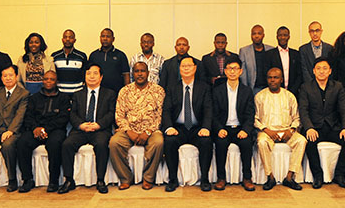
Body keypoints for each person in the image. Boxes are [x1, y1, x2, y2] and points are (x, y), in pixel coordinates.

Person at [59, 64, 116, 195]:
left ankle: (100, 180)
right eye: (88, 73)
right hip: (81, 130)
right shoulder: (77, 94)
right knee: (67, 144)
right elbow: (72, 114)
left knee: (101, 144)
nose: (91, 76)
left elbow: (111, 113)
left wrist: (99, 125)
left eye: (95, 73)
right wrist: (81, 125)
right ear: (84, 77)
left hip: (100, 129)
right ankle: (69, 180)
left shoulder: (109, 94)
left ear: (101, 77)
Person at [298, 58, 345, 189]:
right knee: (309, 142)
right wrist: (309, 128)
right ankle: (318, 176)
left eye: (325, 68)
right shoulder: (306, 87)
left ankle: (339, 175)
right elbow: (303, 110)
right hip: (314, 127)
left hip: (332, 127)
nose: (321, 71)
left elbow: (344, 109)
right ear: (313, 71)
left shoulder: (337, 86)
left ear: (330, 71)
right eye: (318, 68)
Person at [109, 61, 165, 190]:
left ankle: (148, 178)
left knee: (158, 142)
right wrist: (129, 131)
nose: (140, 74)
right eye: (137, 71)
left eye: (142, 71)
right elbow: (119, 115)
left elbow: (160, 116)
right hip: (128, 129)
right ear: (133, 74)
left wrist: (148, 132)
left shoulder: (158, 90)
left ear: (148, 73)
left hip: (151, 130)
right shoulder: (125, 91)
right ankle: (125, 178)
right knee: (114, 143)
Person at [162, 56, 213, 192]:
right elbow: (166, 110)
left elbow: (208, 110)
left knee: (206, 141)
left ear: (195, 68)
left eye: (189, 66)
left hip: (197, 128)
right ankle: (173, 180)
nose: (186, 68)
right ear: (179, 69)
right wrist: (169, 127)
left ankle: (205, 179)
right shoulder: (172, 88)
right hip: (178, 128)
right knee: (169, 141)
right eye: (183, 66)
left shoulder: (204, 88)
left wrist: (206, 127)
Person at [16, 70, 71, 193]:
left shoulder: (64, 98)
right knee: (22, 143)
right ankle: (27, 180)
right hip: (36, 129)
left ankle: (54, 181)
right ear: (42, 81)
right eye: (46, 79)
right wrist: (35, 128)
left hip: (55, 130)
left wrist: (45, 129)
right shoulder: (34, 98)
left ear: (56, 82)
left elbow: (63, 118)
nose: (48, 81)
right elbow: (28, 116)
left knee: (54, 144)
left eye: (52, 79)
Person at [254, 68, 307, 191]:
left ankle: (289, 177)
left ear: (281, 80)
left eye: (276, 77)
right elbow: (255, 119)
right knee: (261, 142)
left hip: (287, 131)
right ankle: (270, 177)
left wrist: (291, 130)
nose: (272, 80)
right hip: (267, 131)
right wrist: (266, 130)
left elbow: (297, 118)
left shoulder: (289, 96)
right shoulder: (260, 96)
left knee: (301, 141)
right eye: (270, 77)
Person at [212, 57, 256, 191]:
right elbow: (213, 114)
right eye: (229, 69)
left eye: (235, 69)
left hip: (240, 128)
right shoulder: (217, 91)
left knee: (246, 143)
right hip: (224, 128)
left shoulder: (247, 91)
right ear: (225, 71)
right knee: (220, 144)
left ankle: (247, 178)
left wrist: (246, 130)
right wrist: (219, 129)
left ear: (240, 71)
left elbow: (250, 115)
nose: (232, 72)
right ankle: (221, 178)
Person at [88, 28, 130, 94]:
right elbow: (89, 74)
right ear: (100, 38)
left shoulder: (121, 55)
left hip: (116, 92)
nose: (105, 39)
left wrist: (126, 92)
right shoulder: (94, 55)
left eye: (108, 36)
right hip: (98, 93)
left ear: (113, 39)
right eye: (103, 36)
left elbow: (126, 75)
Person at [264, 26, 302, 95]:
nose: (283, 37)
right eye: (280, 35)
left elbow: (299, 75)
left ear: (289, 37)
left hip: (293, 92)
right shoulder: (269, 55)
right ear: (277, 37)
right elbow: (266, 74)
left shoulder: (296, 54)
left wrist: (293, 90)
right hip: (274, 93)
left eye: (285, 35)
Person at [51, 29, 88, 95]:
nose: (67, 39)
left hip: (77, 93)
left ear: (74, 40)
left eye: (70, 37)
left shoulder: (81, 56)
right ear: (62, 40)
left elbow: (85, 75)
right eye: (65, 37)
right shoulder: (55, 56)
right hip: (60, 94)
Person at [239, 24, 274, 93]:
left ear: (263, 35)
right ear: (251, 36)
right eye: (254, 34)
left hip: (269, 88)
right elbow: (243, 74)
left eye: (259, 33)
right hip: (253, 88)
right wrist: (246, 90)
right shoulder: (244, 51)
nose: (256, 36)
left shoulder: (271, 49)